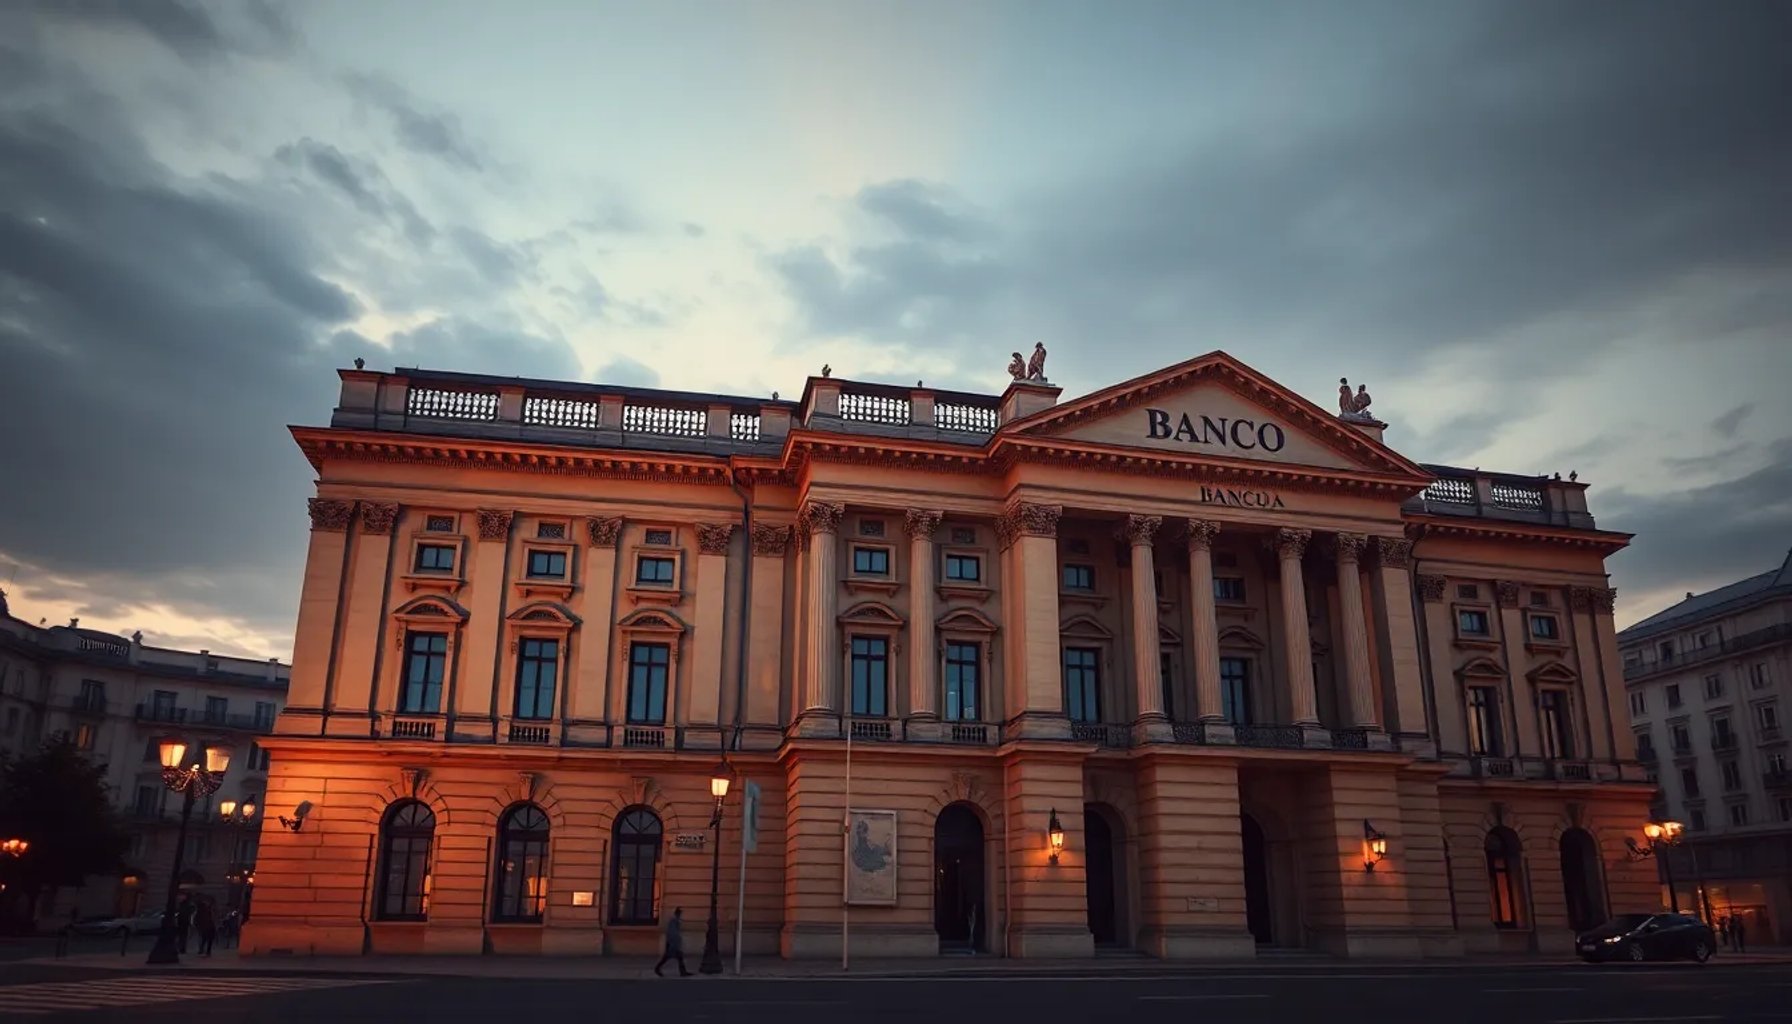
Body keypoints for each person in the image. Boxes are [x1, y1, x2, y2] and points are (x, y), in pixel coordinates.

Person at [654, 907, 690, 977]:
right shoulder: (674, 921)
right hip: (673, 944)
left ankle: (683, 972)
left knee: (678, 958)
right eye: (680, 913)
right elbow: (673, 933)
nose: (680, 915)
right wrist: (675, 943)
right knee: (668, 957)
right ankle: (657, 968)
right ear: (677, 914)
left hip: (673, 943)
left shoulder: (675, 921)